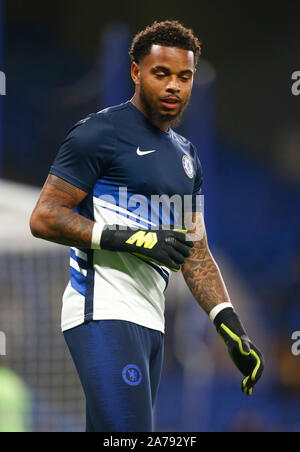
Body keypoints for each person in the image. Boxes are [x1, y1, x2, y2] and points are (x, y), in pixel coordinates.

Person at [30, 20, 264, 432]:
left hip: (151, 325)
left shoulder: (186, 157)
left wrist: (230, 327)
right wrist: (132, 238)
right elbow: (45, 216)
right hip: (103, 311)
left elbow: (195, 249)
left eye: (184, 76)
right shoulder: (100, 132)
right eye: (162, 73)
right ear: (136, 73)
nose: (174, 85)